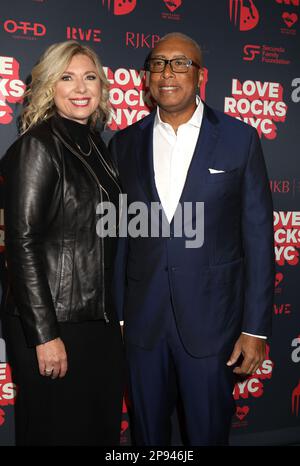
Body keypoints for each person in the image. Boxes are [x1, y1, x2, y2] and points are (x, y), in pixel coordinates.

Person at [109, 32, 275, 446]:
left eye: (180, 63)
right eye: (159, 64)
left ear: (200, 75)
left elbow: (258, 238)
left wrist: (255, 329)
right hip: (143, 325)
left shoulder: (240, 139)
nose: (168, 73)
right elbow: (119, 235)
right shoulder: (124, 143)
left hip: (212, 324)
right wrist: (121, 316)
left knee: (206, 434)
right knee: (148, 436)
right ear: (147, 77)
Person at [0, 41, 124, 446]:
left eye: (90, 77)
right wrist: (45, 335)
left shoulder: (97, 147)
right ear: (49, 87)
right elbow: (22, 242)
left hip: (96, 322)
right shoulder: (38, 146)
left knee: (96, 429)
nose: (80, 87)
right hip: (53, 323)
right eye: (66, 78)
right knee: (56, 433)